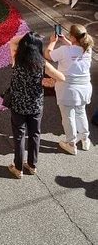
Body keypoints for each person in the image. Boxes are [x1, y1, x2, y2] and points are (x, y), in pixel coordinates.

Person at [6, 32, 64, 178]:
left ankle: (18, 168)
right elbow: (61, 77)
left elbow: (12, 41)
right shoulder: (42, 64)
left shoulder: (16, 59)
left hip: (18, 104)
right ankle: (32, 165)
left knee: (19, 136)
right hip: (35, 105)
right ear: (38, 48)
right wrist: (48, 81)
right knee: (34, 134)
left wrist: (28, 38)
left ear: (24, 45)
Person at [45, 25, 93, 154]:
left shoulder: (64, 50)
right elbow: (74, 49)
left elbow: (48, 55)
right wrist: (65, 40)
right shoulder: (87, 49)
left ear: (73, 36)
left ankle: (71, 143)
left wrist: (52, 42)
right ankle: (85, 138)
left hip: (68, 90)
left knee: (68, 116)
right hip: (85, 88)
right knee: (80, 112)